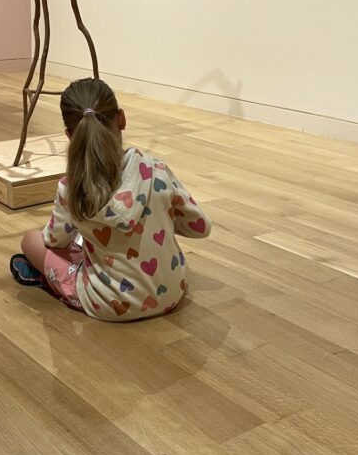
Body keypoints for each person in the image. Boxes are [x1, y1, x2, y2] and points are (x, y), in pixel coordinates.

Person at [11, 78, 211, 322]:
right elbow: (200, 227)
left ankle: (58, 283)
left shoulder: (72, 188)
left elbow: (54, 240)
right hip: (172, 292)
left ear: (70, 135)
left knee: (30, 241)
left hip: (109, 304)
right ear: (122, 119)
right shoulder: (155, 168)